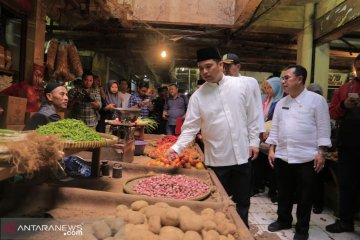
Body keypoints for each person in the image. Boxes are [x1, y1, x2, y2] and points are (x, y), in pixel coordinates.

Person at [167, 47, 261, 227]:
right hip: (217, 162)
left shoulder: (241, 86)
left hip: (243, 157)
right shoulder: (198, 97)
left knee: (242, 203)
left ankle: (241, 233)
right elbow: (190, 128)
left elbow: (253, 115)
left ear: (220, 65)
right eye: (201, 68)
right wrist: (176, 148)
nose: (205, 72)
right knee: (217, 205)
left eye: (209, 66)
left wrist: (255, 141)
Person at [265, 65, 331, 240]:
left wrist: (321, 153)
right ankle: (283, 220)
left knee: (305, 195)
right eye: (283, 78)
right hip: (283, 156)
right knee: (284, 192)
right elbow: (275, 129)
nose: (283, 81)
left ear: (300, 79)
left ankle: (302, 229)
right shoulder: (281, 103)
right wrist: (272, 149)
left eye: (287, 78)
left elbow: (323, 128)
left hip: (307, 157)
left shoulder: (316, 100)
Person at [326, 55, 360, 233]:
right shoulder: (346, 88)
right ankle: (346, 221)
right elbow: (332, 112)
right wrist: (344, 105)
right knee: (347, 184)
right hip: (349, 145)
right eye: (359, 69)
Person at [252, 76, 284, 199]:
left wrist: (268, 129)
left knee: (273, 166)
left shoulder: (281, 101)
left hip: (274, 137)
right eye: (267, 87)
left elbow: (278, 121)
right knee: (259, 163)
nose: (268, 90)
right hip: (262, 137)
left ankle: (274, 192)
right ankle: (258, 187)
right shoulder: (266, 99)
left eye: (270, 87)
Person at [306, 83, 325, 214]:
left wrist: (321, 151)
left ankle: (318, 203)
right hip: (306, 149)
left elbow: (323, 129)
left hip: (316, 149)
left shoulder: (321, 104)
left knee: (317, 179)